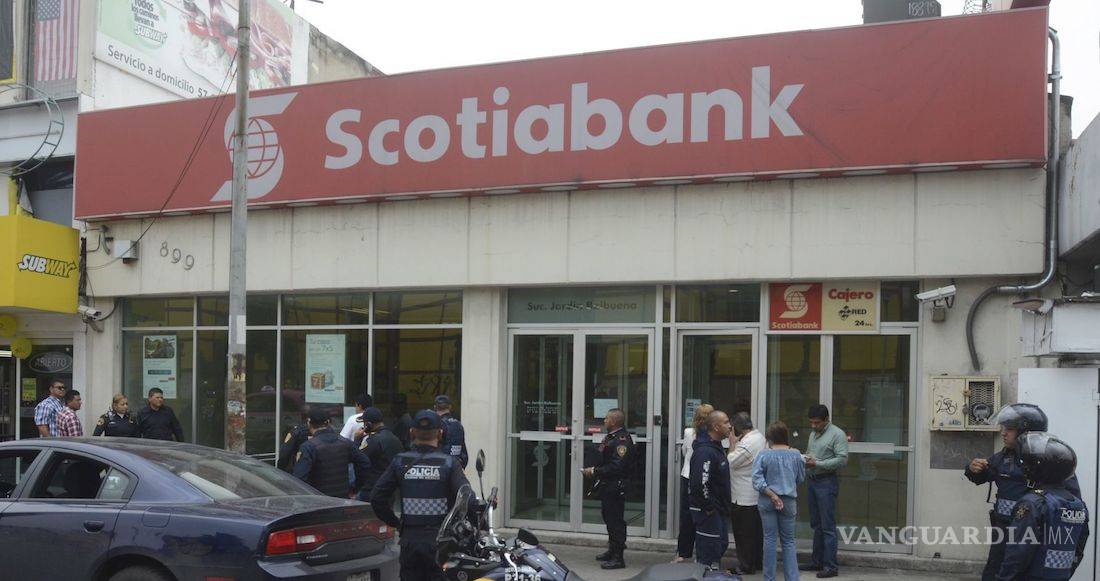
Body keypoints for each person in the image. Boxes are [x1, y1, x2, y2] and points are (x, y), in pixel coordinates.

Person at [965, 403, 1082, 581]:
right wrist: (973, 469)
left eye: (1009, 429)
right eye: (1004, 428)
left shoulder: (1049, 460)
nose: (1003, 433)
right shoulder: (1004, 456)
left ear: (1025, 431)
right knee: (993, 573)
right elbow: (982, 476)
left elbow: (1072, 506)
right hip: (1003, 532)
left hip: (1035, 535)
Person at [371, 410, 470, 581]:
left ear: (411, 432)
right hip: (440, 542)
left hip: (410, 540)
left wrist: (396, 523)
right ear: (440, 433)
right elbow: (467, 498)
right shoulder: (449, 463)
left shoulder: (400, 461)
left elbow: (377, 497)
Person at [996, 432, 1089, 580]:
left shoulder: (1033, 503)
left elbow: (1018, 552)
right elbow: (1079, 547)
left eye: (1028, 465)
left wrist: (1004, 578)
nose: (1025, 468)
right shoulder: (1078, 505)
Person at [582, 408, 636, 570]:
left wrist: (595, 471)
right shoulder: (611, 437)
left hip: (616, 485)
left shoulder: (622, 440)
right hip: (608, 484)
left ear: (614, 421)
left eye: (606, 419)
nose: (604, 421)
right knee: (608, 518)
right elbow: (603, 456)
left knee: (616, 521)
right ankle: (612, 550)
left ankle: (618, 557)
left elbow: (617, 466)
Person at [753, 421, 806, 581]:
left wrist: (772, 494)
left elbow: (756, 480)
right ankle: (792, 578)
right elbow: (800, 478)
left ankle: (769, 578)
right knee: (788, 541)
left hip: (767, 500)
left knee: (769, 540)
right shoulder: (796, 454)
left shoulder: (763, 454)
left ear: (770, 437)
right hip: (788, 501)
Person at [800, 404, 847, 578]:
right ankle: (817, 561)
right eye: (811, 422)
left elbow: (842, 460)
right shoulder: (813, 434)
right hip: (812, 481)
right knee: (817, 524)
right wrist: (804, 459)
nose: (813, 426)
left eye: (817, 423)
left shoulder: (837, 434)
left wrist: (817, 463)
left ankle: (831, 566)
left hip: (826, 482)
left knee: (827, 526)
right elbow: (811, 453)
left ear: (826, 420)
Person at [689, 410, 733, 572]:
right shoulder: (705, 451)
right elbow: (700, 483)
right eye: (726, 422)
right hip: (708, 511)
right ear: (715, 427)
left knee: (720, 544)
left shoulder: (716, 447)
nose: (730, 426)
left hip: (718, 509)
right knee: (709, 551)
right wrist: (708, 507)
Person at [292, 409, 370, 498]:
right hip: (342, 499)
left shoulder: (308, 447)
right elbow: (364, 463)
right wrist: (355, 488)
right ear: (328, 423)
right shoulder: (345, 443)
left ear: (309, 422)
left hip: (319, 500)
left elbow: (299, 479)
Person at [675, 403, 714, 563]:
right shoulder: (712, 434)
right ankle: (703, 554)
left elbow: (685, 451)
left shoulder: (688, 432)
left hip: (688, 475)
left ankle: (683, 553)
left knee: (687, 515)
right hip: (705, 476)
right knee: (706, 515)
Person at [729, 412, 767, 575]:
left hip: (743, 495)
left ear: (737, 428)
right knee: (755, 533)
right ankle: (756, 562)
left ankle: (746, 565)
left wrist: (732, 444)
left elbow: (731, 461)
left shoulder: (748, 443)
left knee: (743, 533)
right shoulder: (759, 437)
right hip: (754, 494)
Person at [356, 407, 404, 501]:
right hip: (389, 490)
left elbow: (358, 459)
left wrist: (357, 440)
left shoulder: (373, 440)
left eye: (364, 424)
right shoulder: (394, 438)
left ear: (368, 424)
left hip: (373, 489)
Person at [434, 395, 468, 468]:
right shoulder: (458, 424)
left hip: (442, 466)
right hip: (457, 465)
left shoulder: (436, 424)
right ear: (450, 407)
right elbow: (463, 452)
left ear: (435, 407)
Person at [279, 408, 312, 472]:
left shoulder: (295, 432)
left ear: (300, 416)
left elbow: (284, 452)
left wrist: (280, 469)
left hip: (296, 468)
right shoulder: (318, 432)